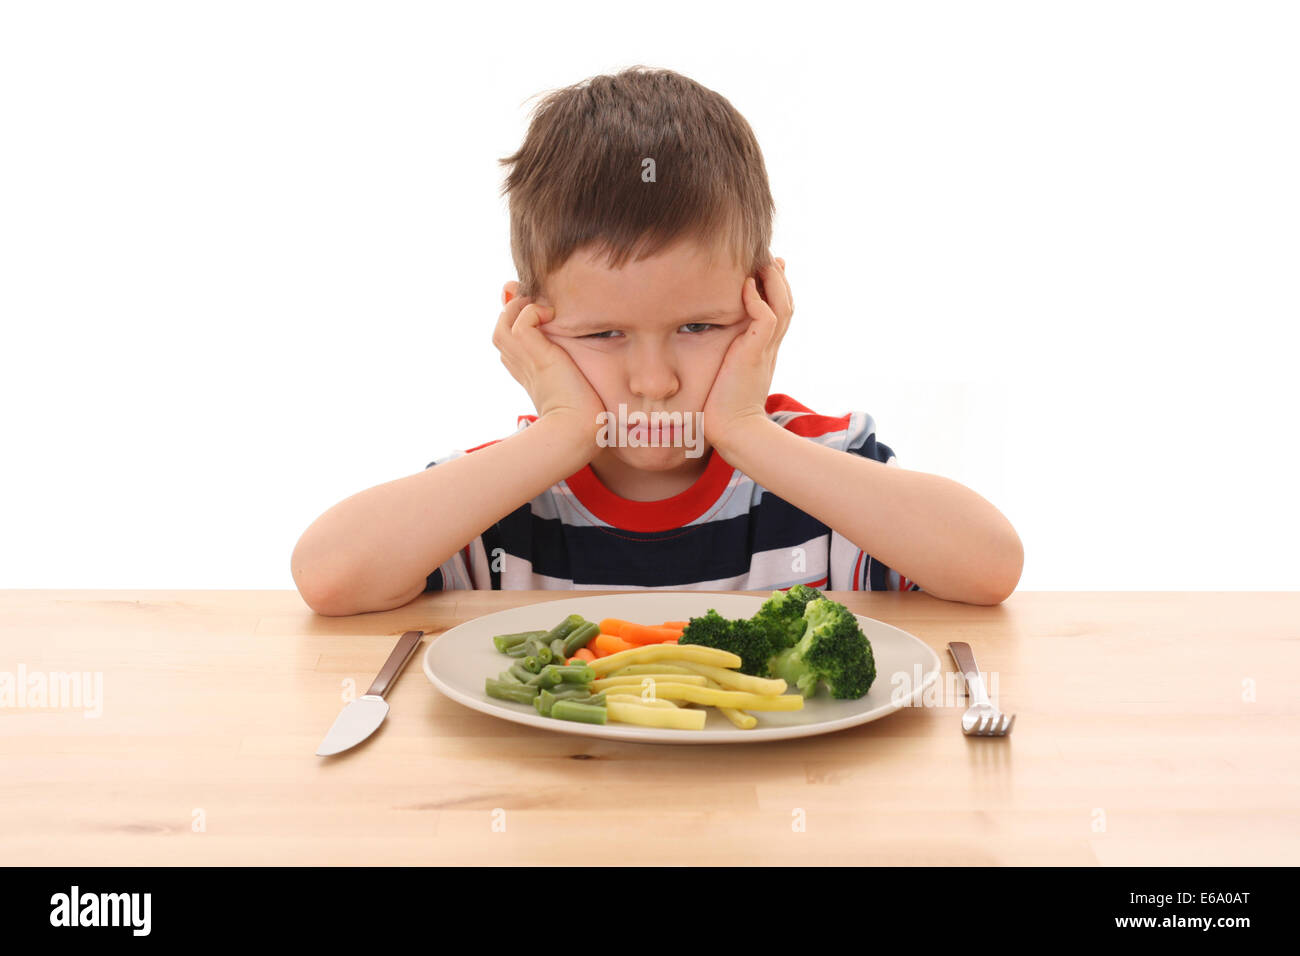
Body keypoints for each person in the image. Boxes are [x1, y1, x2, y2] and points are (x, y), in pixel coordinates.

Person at [291, 66, 1023, 615]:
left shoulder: (820, 477)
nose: (654, 380)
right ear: (529, 328)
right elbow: (329, 575)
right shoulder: (501, 498)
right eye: (604, 333)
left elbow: (990, 566)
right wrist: (564, 433)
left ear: (765, 301)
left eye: (698, 328)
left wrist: (745, 432)